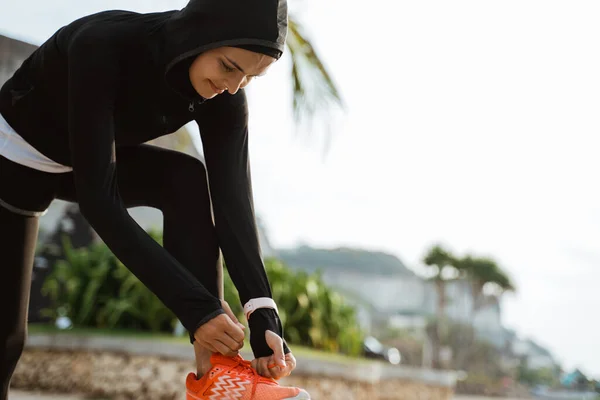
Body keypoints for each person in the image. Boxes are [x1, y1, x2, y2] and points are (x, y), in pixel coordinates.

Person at [0, 0, 311, 399]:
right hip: (16, 159)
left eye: (251, 77)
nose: (234, 86)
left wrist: (263, 314)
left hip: (84, 165)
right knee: (7, 338)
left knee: (184, 179)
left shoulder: (226, 95)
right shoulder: (104, 45)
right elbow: (101, 201)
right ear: (202, 34)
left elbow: (234, 206)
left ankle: (215, 372)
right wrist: (197, 310)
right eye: (229, 67)